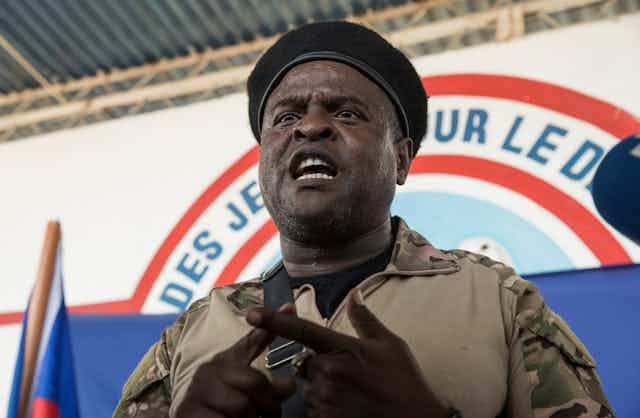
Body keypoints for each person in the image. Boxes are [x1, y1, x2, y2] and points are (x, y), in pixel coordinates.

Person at [113, 21, 613, 418]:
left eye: (346, 113)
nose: (310, 125)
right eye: (285, 117)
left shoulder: (501, 302)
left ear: (401, 159)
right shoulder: (193, 334)